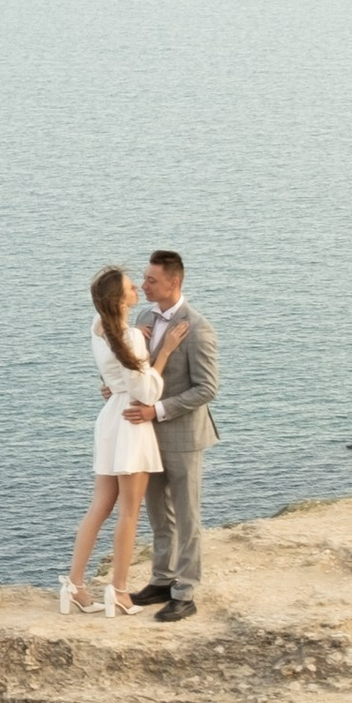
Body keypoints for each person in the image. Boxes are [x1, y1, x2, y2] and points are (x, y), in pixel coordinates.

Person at [62, 266, 194, 619]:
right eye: (129, 286)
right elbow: (146, 390)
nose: (137, 287)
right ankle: (118, 592)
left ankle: (74, 584)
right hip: (131, 423)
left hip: (109, 419)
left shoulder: (98, 326)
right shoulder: (130, 338)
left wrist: (135, 335)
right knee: (129, 513)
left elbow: (118, 368)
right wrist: (163, 353)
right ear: (119, 300)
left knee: (99, 506)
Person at [121, 249, 220, 623]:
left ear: (173, 282)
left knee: (188, 516)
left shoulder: (198, 327)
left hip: (183, 436)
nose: (143, 285)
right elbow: (136, 370)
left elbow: (206, 388)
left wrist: (156, 410)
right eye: (144, 279)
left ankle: (185, 591)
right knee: (158, 514)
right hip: (146, 436)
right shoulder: (144, 318)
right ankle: (162, 579)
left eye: (151, 280)